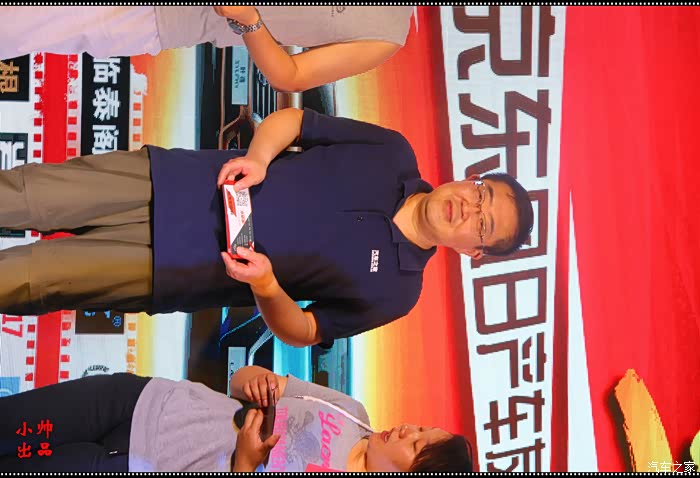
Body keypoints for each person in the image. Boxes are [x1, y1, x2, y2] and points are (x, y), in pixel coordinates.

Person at [0, 107, 534, 348]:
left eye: (482, 225)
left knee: (29, 278)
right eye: (480, 193)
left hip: (173, 267)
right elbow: (297, 122)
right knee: (25, 195)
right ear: (471, 178)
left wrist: (267, 286)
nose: (468, 208)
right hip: (170, 179)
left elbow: (305, 331)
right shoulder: (393, 151)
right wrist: (258, 157)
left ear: (474, 253)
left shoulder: (398, 292)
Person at [0, 366, 474, 472]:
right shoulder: (352, 412)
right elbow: (240, 380)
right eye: (421, 427)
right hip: (144, 401)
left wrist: (245, 464)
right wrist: (257, 382)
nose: (408, 429)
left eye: (416, 445)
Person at [0, 5, 415, 92]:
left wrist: (248, 19)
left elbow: (291, 76)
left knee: (18, 23)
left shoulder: (388, 32)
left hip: (161, 18)